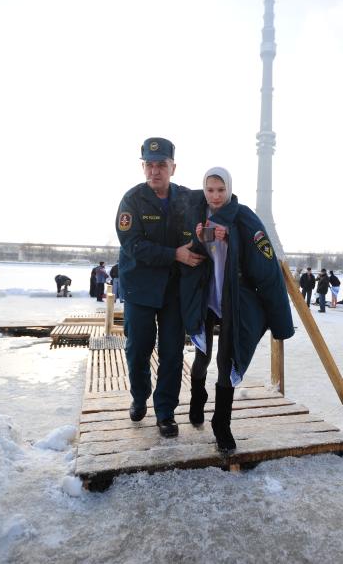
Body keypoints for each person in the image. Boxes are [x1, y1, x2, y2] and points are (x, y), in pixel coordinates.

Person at [180, 167, 294, 453]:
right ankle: (197, 401)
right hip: (206, 294)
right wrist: (199, 238)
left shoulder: (243, 216)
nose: (215, 196)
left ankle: (222, 424)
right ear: (204, 190)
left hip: (232, 297)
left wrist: (230, 238)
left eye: (221, 190)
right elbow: (191, 255)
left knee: (226, 359)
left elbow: (265, 266)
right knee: (202, 355)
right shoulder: (197, 215)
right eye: (210, 190)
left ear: (229, 189)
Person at [116, 137, 204, 438]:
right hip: (140, 287)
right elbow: (133, 245)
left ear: (173, 167)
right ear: (144, 167)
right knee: (138, 347)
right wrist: (174, 254)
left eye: (162, 165)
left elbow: (220, 203)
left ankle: (165, 412)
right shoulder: (132, 200)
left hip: (174, 290)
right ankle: (140, 397)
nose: (155, 171)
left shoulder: (188, 199)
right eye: (150, 165)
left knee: (172, 352)